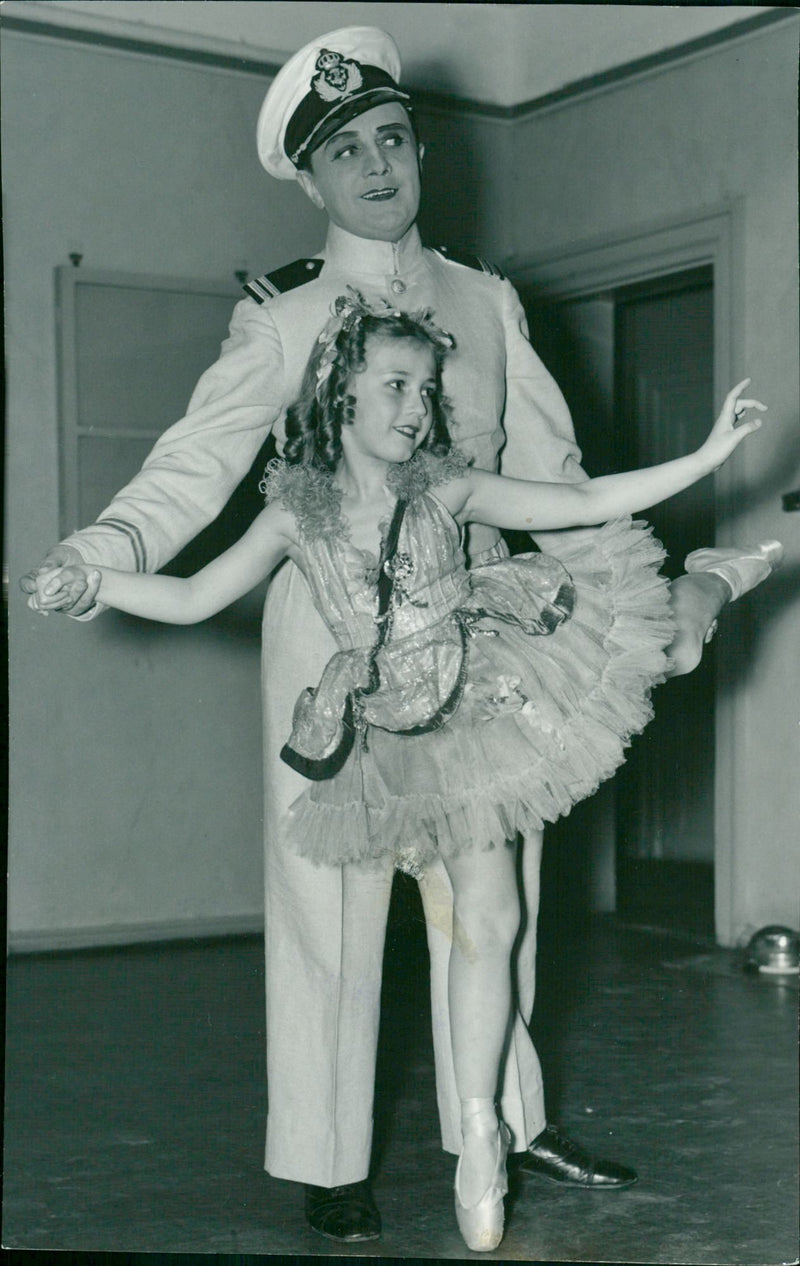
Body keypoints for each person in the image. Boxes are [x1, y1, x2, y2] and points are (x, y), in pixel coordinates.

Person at [20, 26, 783, 1243]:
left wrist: (624, 607)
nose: (374, 168)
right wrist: (103, 555)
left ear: (416, 151)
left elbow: (553, 471)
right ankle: (329, 1158)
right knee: (331, 896)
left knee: (494, 889)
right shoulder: (281, 321)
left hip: (472, 621)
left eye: (388, 140)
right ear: (308, 180)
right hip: (324, 631)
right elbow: (191, 467)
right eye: (343, 153)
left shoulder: (483, 302)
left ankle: (506, 1119)